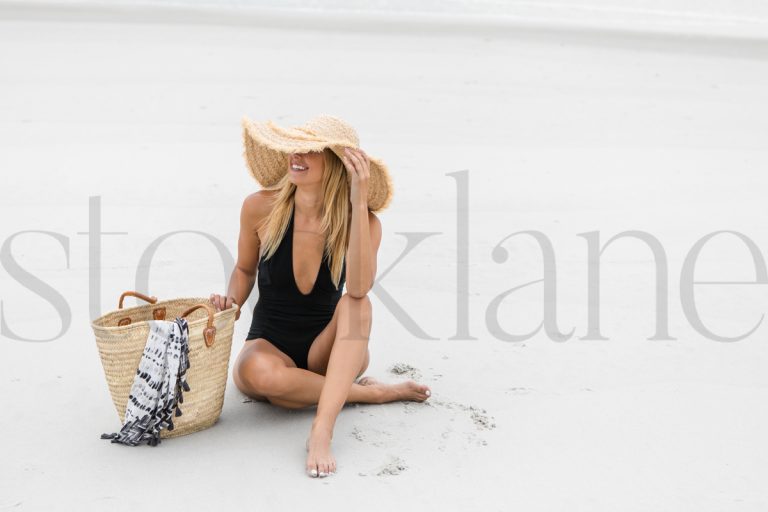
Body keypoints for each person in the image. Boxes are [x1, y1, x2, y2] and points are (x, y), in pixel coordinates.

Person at [210, 115, 431, 479]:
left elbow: (358, 288)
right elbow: (245, 270)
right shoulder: (259, 207)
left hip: (327, 351)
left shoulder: (363, 221)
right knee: (259, 376)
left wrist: (358, 205)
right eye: (293, 147)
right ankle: (370, 394)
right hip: (270, 347)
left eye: (311, 150)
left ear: (336, 162)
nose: (296, 155)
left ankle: (321, 430)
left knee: (358, 305)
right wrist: (231, 304)